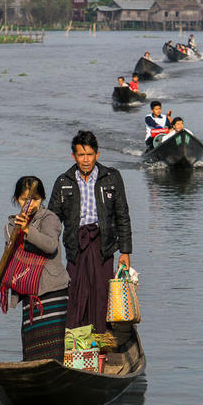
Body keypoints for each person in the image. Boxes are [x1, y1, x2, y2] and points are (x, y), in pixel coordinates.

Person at [48, 131, 132, 336]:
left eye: (89, 155)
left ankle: (101, 340)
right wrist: (46, 251)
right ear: (73, 156)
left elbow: (122, 214)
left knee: (101, 293)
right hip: (76, 245)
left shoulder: (111, 177)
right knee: (75, 293)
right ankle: (77, 341)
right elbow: (52, 220)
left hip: (103, 244)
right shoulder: (63, 181)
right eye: (81, 155)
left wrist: (125, 251)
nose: (85, 160)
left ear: (97, 155)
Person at [0, 176, 71, 361]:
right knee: (32, 349)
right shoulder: (11, 227)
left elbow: (50, 245)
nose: (29, 205)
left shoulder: (49, 219)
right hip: (29, 293)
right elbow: (8, 262)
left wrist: (28, 230)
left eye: (35, 200)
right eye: (24, 200)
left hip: (52, 291)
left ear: (42, 199)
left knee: (54, 350)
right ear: (17, 200)